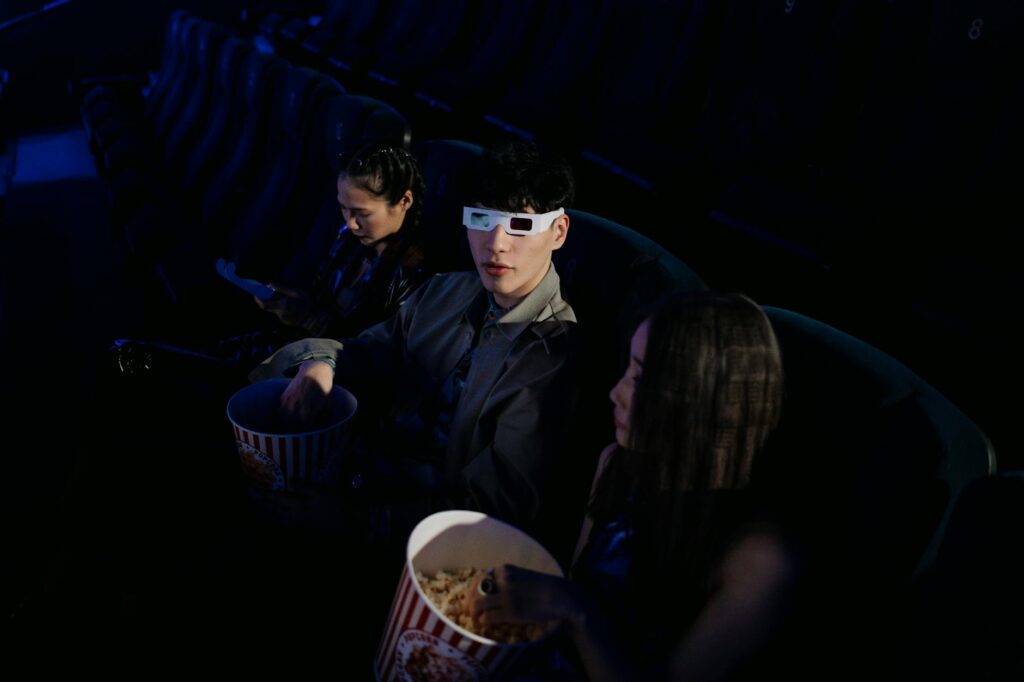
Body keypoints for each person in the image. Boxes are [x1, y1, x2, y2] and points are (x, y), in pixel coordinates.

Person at [248, 141, 580, 549]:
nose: (496, 243)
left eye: (520, 225)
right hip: (359, 470)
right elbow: (369, 350)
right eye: (481, 219)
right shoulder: (446, 291)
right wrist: (321, 363)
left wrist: (357, 523)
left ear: (558, 231)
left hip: (415, 535)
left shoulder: (549, 356)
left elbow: (492, 506)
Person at [466, 292, 802, 681]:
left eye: (641, 379)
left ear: (707, 400)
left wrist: (576, 610)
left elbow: (576, 606)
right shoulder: (617, 463)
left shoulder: (760, 561)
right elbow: (574, 591)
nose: (616, 394)